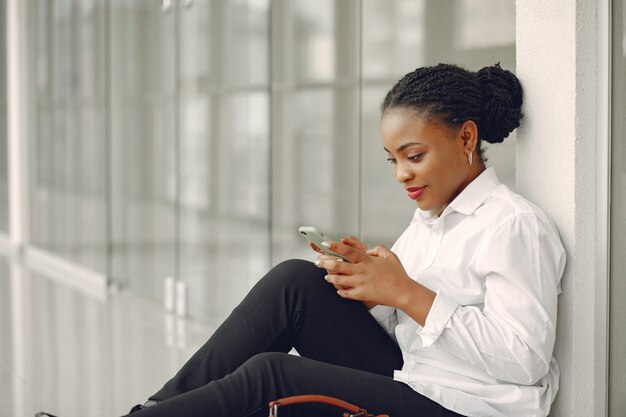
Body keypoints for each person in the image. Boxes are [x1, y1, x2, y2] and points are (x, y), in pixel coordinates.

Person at [38, 63, 566, 417]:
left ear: (466, 138)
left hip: (462, 405)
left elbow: (524, 360)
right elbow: (413, 328)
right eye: (393, 161)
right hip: (419, 377)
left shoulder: (512, 224)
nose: (402, 174)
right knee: (296, 281)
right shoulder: (431, 219)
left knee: (270, 374)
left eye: (414, 155)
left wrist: (406, 292)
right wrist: (366, 283)